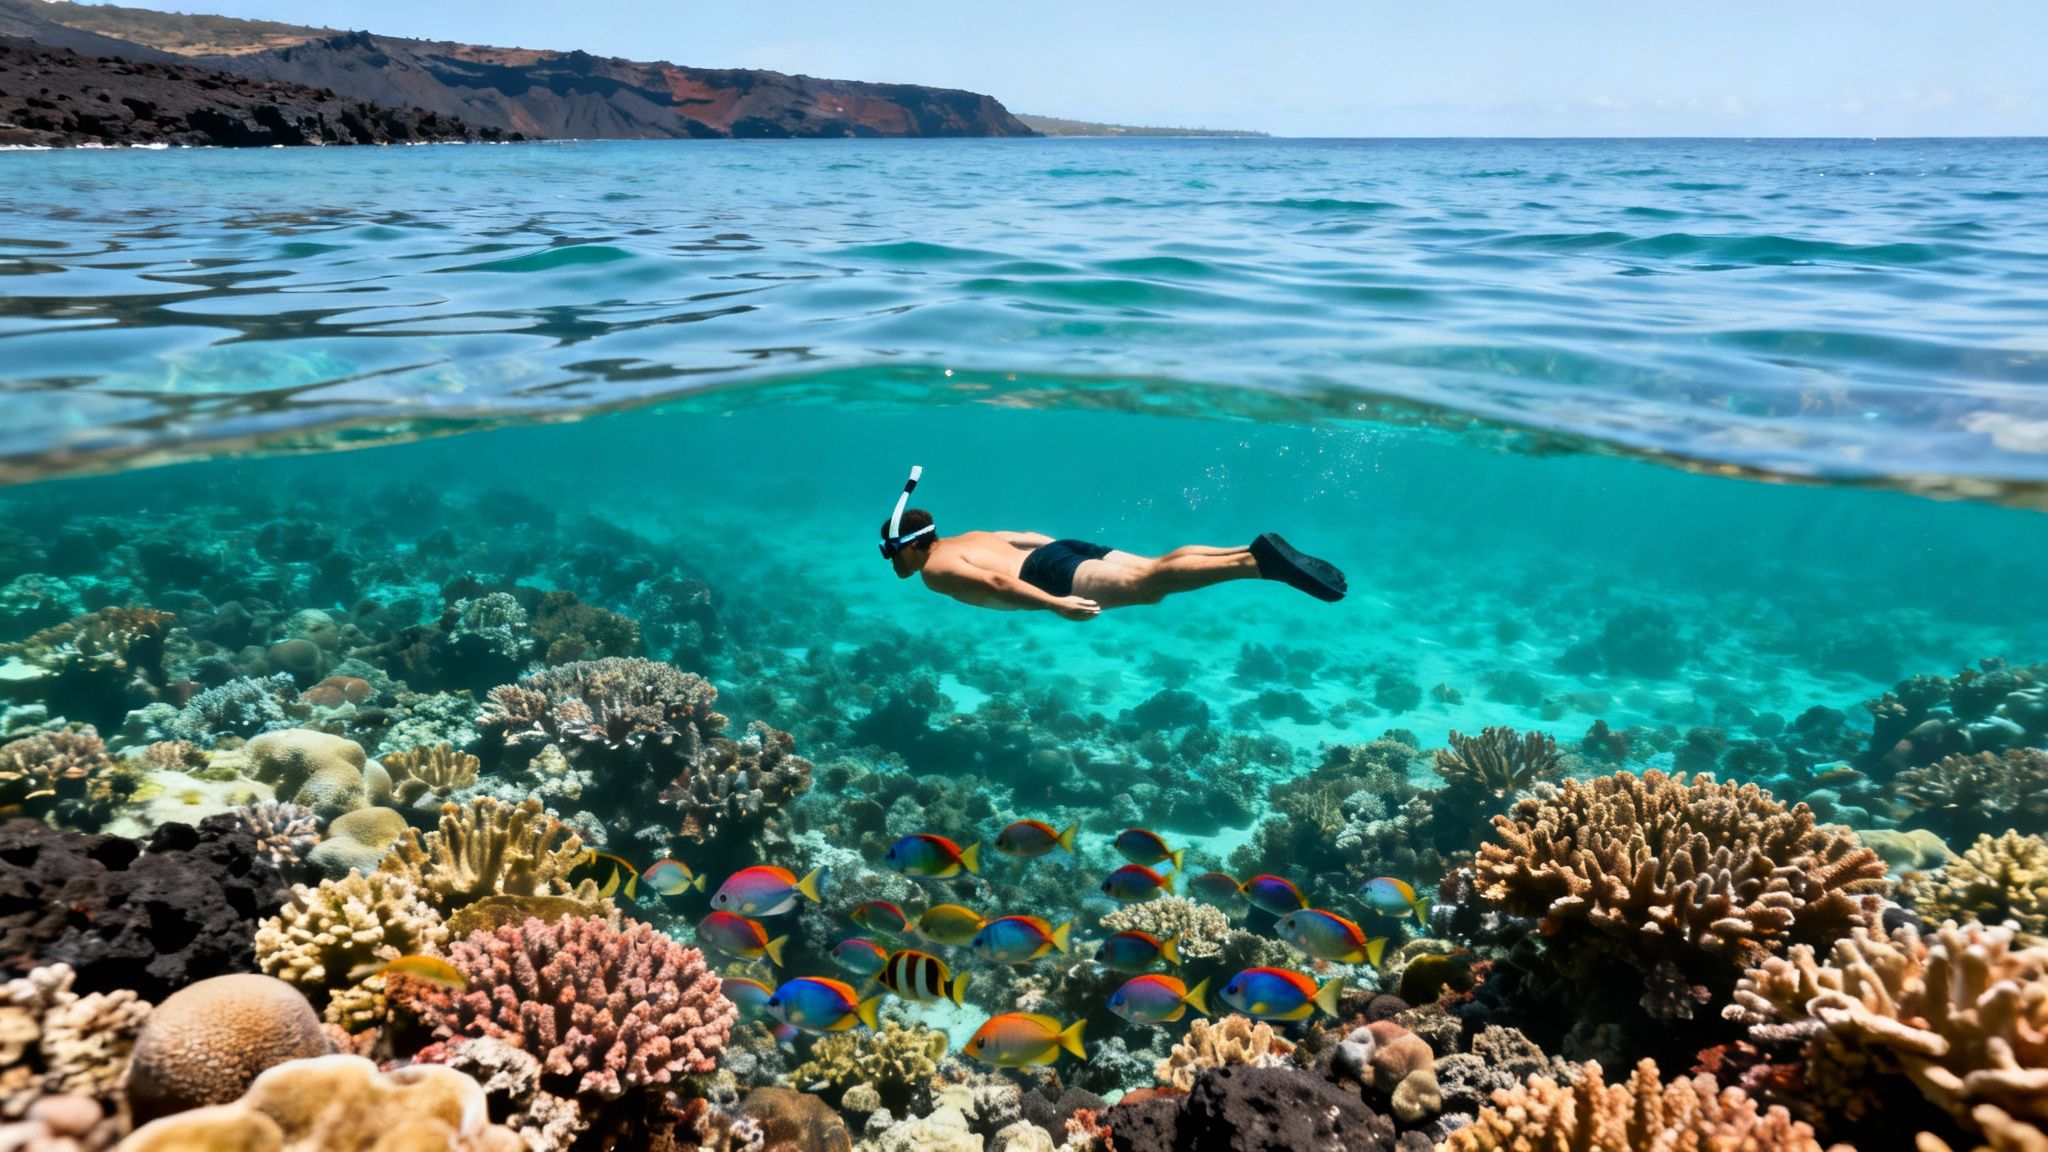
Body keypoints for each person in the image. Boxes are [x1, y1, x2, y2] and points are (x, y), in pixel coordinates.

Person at [877, 467, 1346, 621]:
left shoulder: (935, 571)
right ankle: (1247, 550)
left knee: (1149, 586)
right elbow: (1028, 537)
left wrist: (1055, 603)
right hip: (1061, 549)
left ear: (911, 546)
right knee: (1154, 568)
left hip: (1046, 575)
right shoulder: (972, 535)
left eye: (890, 552)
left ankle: (1257, 565)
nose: (891, 563)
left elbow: (998, 581)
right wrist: (1065, 552)